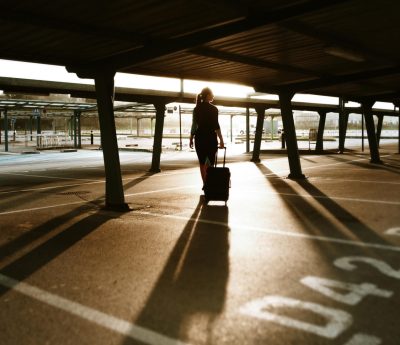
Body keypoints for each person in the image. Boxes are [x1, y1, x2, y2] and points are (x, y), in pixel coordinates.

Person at [189, 87, 224, 186]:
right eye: (212, 94)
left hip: (199, 138)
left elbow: (194, 125)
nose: (213, 96)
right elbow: (216, 125)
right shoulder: (214, 109)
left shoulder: (196, 109)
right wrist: (221, 139)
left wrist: (191, 138)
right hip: (211, 138)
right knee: (210, 162)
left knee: (202, 162)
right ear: (207, 95)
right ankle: (210, 183)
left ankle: (205, 184)